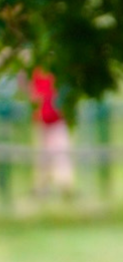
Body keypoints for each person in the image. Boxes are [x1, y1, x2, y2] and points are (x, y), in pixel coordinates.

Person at [28, 67, 75, 195]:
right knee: (42, 157)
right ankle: (42, 188)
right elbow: (33, 95)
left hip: (57, 120)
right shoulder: (36, 72)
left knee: (61, 155)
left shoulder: (58, 72)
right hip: (42, 121)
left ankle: (65, 187)